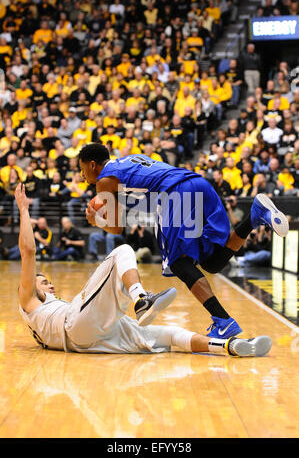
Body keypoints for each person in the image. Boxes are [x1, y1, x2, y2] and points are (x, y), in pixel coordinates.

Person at [14, 182, 272, 358]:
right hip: (75, 326)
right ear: (27, 288)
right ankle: (140, 298)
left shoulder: (45, 315)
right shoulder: (28, 300)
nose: (49, 285)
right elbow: (28, 251)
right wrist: (24, 209)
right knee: (122, 252)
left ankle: (232, 346)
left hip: (92, 341)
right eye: (43, 282)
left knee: (170, 334)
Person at [78, 143, 289, 338]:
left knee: (179, 263)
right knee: (212, 262)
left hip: (175, 193)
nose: (82, 175)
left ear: (93, 165)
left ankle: (223, 321)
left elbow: (116, 228)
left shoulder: (104, 180)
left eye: (82, 169)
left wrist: (95, 220)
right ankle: (255, 216)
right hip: (198, 183)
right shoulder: (129, 160)